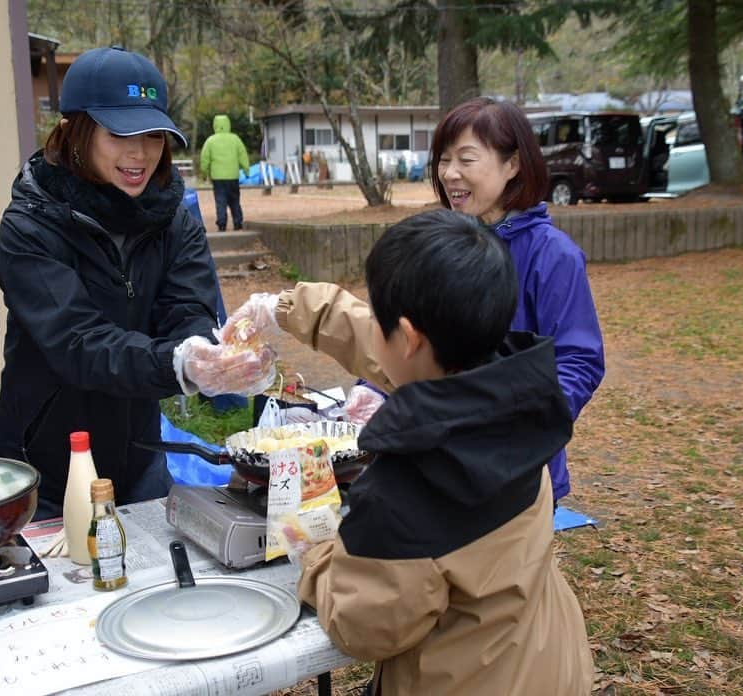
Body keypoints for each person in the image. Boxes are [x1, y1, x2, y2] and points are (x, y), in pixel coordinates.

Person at [226, 96, 605, 503]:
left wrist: (515, 432)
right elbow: (408, 336)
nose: (450, 174)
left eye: (467, 159)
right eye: (443, 159)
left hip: (514, 469)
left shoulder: (552, 256)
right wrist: (374, 389)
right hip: (434, 447)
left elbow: (578, 361)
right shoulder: (443, 241)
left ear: (512, 164)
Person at [294, 210, 595, 695]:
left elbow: (364, 625)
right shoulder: (518, 392)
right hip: (547, 664)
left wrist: (317, 557)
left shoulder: (411, 489)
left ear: (409, 337)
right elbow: (407, 360)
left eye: (379, 320)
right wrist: (292, 307)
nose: (373, 330)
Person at [0, 47, 274, 521]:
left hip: (140, 452)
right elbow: (77, 342)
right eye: (119, 133)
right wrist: (177, 363)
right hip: (47, 467)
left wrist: (209, 352)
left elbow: (189, 307)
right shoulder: (30, 225)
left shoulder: (170, 217)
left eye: (153, 135)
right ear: (74, 130)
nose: (140, 152)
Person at [199, 114, 249, 231]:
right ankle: (238, 223)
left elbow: (204, 159)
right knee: (235, 200)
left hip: (218, 178)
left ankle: (222, 224)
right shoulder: (235, 139)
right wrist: (246, 170)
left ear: (215, 125)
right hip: (233, 176)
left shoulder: (210, 141)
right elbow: (243, 155)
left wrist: (204, 174)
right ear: (228, 124)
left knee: (220, 201)